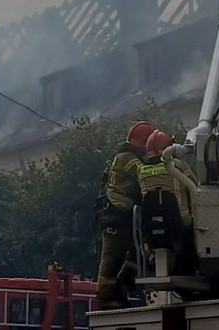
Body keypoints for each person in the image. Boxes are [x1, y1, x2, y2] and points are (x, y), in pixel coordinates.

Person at [95, 120, 153, 309]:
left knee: (136, 255)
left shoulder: (123, 156)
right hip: (117, 218)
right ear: (141, 142)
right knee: (111, 261)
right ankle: (106, 299)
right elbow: (144, 174)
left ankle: (120, 292)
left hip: (123, 218)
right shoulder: (126, 158)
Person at [136, 130, 199, 274]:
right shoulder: (178, 165)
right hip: (180, 217)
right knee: (194, 231)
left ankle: (150, 257)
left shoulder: (140, 170)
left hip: (150, 221)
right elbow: (196, 188)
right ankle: (191, 262)